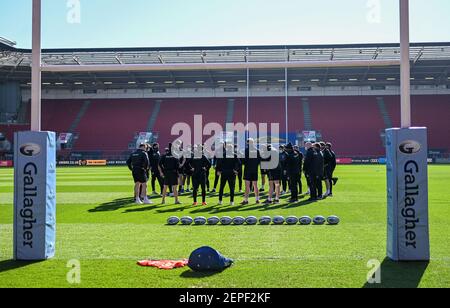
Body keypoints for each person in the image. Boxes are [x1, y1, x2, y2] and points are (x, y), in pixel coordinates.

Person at [241, 138, 261, 205]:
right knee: (255, 185)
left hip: (247, 170)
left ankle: (246, 200)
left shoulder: (246, 151)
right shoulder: (257, 150)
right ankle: (257, 199)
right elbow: (259, 161)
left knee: (247, 186)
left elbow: (243, 161)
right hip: (254, 170)